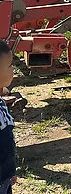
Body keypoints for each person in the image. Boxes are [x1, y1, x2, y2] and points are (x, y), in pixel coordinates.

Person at [0, 41, 16, 194]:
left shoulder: (1, 102)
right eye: (10, 65)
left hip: (4, 177)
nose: (13, 69)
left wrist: (10, 171)